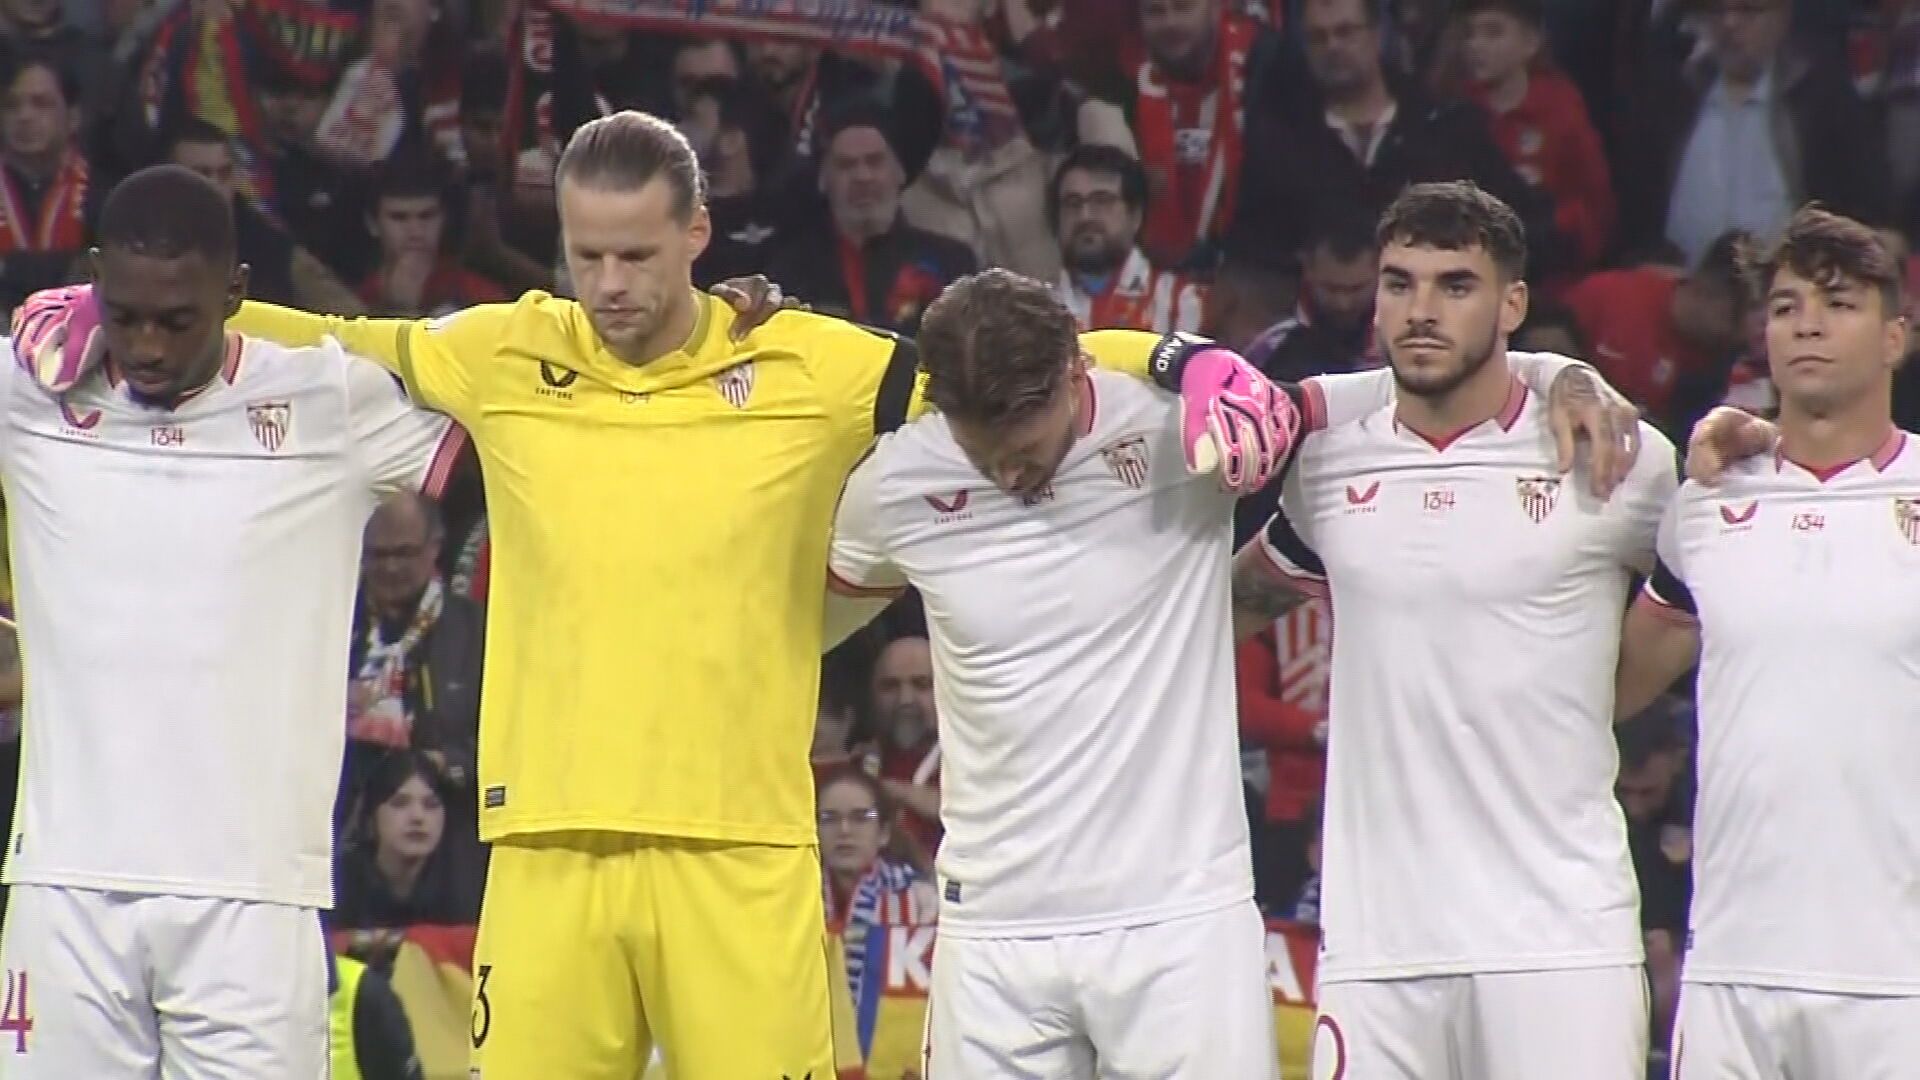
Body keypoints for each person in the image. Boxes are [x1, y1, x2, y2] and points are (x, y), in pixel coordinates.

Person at [12, 111, 1301, 1078]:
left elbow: (993, 357)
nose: (611, 286)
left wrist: (1173, 357)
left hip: (741, 852)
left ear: (697, 235)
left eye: (637, 254)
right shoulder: (503, 348)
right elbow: (321, 335)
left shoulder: (809, 359)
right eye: (587, 255)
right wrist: (67, 300)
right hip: (549, 850)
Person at [823, 267, 1632, 1076]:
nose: (1006, 476)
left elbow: (1400, 392)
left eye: (1026, 450)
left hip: (1181, 920)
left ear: (1078, 373)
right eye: (983, 454)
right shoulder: (902, 481)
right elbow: (806, 615)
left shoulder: (1180, 426)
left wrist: (1553, 372)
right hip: (992, 926)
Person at [0, 164, 462, 1077]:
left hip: (255, 903)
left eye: (178, 321)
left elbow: (511, 397)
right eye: (124, 315)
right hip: (63, 891)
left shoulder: (330, 403)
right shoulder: (32, 389)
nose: (148, 347)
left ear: (237, 294)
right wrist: (41, 309)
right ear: (97, 282)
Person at [1230, 180, 1676, 1080]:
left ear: (1513, 301)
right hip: (1376, 947)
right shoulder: (1326, 467)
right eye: (1400, 283)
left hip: (1560, 940)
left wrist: (1585, 702)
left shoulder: (1618, 460)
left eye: (1454, 285)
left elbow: (1704, 602)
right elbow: (1238, 604)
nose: (1420, 311)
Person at [1616, 206, 1920, 1076]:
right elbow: (1613, 688)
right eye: (1786, 306)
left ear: (1896, 337)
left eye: (1837, 303)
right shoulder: (1705, 504)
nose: (1807, 325)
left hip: (1898, 979)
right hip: (1733, 972)